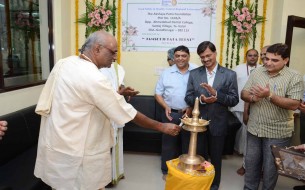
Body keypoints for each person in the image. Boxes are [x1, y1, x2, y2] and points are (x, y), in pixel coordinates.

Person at [34, 30, 181, 190]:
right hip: (76, 151)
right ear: (97, 49)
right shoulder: (92, 77)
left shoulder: (65, 63)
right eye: (113, 52)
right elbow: (127, 112)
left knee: (59, 185)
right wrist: (161, 126)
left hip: (56, 142)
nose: (115, 57)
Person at [241, 43, 304, 190]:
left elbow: (294, 104)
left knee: (270, 170)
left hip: (277, 132)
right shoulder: (257, 72)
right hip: (254, 129)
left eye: (274, 60)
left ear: (285, 60)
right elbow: (243, 92)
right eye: (266, 59)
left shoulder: (294, 77)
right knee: (251, 166)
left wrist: (269, 95)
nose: (268, 63)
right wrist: (252, 98)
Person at [185, 41, 239, 190]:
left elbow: (234, 100)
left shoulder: (229, 75)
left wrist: (217, 94)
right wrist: (202, 99)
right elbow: (188, 97)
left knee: (215, 158)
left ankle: (214, 186)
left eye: (208, 55)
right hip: (199, 124)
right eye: (202, 57)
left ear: (215, 53)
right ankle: (201, 184)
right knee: (199, 157)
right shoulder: (194, 74)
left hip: (219, 123)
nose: (205, 59)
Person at [155, 45, 197, 180]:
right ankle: (167, 171)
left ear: (188, 57)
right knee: (169, 144)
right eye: (177, 56)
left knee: (188, 144)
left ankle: (185, 171)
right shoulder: (167, 73)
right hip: (170, 113)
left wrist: (191, 108)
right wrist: (165, 106)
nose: (180, 59)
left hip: (190, 115)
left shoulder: (196, 71)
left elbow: (201, 93)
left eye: (183, 56)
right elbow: (158, 93)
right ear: (174, 57)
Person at [100, 62, 139, 186]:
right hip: (101, 113)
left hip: (116, 111)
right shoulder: (92, 67)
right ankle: (103, 178)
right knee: (102, 147)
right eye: (112, 51)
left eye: (116, 52)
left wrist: (125, 91)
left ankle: (114, 174)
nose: (114, 55)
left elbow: (119, 87)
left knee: (116, 144)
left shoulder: (118, 68)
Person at [230, 49, 259, 176]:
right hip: (239, 105)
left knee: (249, 135)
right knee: (240, 131)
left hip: (256, 107)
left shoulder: (262, 69)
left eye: (255, 56)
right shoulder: (238, 68)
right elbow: (233, 86)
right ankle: (239, 151)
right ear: (246, 56)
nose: (252, 58)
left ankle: (249, 163)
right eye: (250, 55)